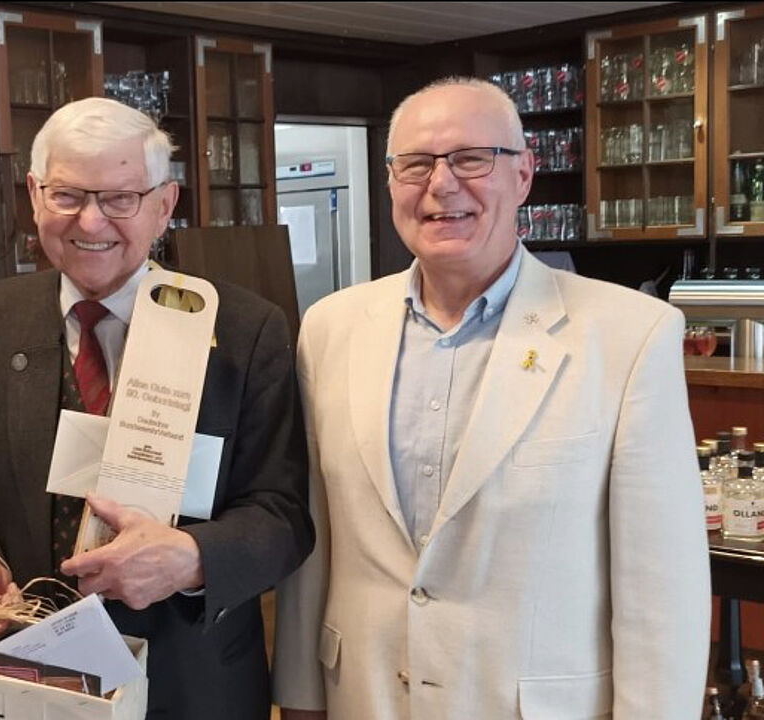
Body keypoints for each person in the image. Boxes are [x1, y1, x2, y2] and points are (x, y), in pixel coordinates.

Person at [273, 77, 710, 719]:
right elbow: (317, 546)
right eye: (416, 163)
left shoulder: (629, 336)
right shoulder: (330, 327)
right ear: (391, 182)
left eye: (471, 159)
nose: (441, 185)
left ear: (524, 176)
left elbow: (661, 589)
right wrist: (300, 699)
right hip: (363, 698)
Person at [0, 96, 313, 719]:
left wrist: (192, 560)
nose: (91, 223)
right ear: (35, 196)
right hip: (20, 680)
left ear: (164, 205)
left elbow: (283, 514)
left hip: (194, 685)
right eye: (68, 196)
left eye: (120, 198)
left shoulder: (247, 331)